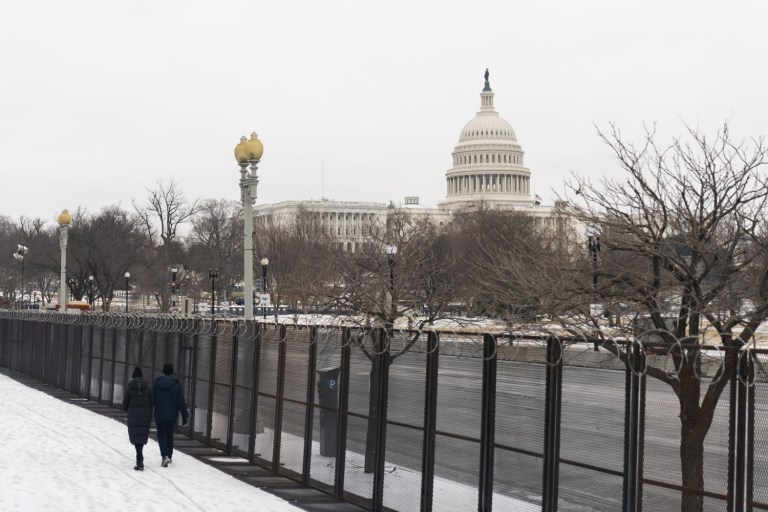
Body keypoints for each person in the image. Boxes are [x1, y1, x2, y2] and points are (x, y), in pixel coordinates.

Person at [153, 363, 189, 467]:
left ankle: (165, 456)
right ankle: (169, 455)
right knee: (169, 435)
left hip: (159, 414)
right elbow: (181, 401)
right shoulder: (177, 385)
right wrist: (185, 415)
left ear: (163, 371)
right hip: (172, 415)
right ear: (172, 372)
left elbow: (153, 398)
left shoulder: (157, 383)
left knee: (161, 435)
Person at [122, 367, 153, 471]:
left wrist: (126, 410)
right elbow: (152, 401)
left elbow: (125, 402)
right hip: (145, 415)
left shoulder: (130, 387)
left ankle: (139, 459)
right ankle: (140, 458)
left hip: (133, 415)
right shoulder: (148, 387)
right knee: (142, 435)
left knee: (136, 436)